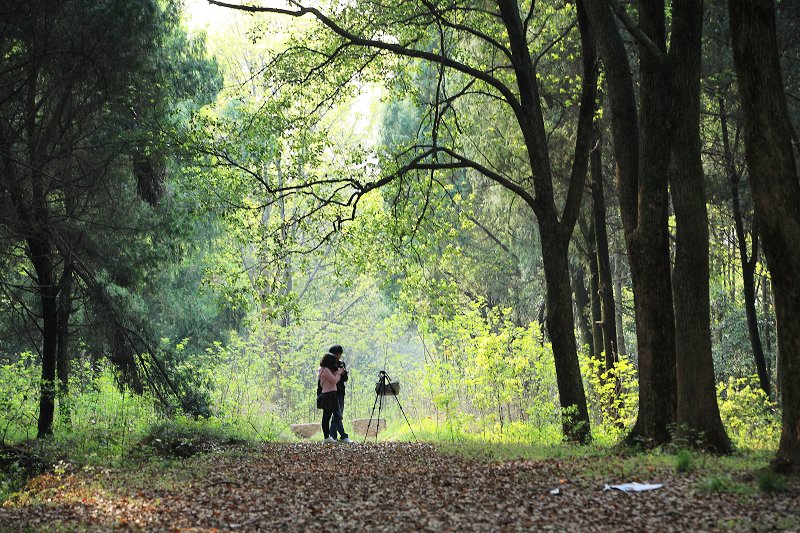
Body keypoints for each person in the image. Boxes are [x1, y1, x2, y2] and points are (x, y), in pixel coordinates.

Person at [318, 352, 346, 443]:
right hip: (329, 394)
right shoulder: (325, 370)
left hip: (330, 394)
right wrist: (339, 373)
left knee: (332, 415)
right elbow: (334, 381)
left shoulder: (324, 369)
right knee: (328, 416)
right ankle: (327, 437)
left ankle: (330, 436)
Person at [328, 344, 353, 443]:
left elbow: (345, 379)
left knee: (338, 414)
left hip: (341, 392)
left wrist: (343, 373)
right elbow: (331, 378)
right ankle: (343, 436)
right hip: (332, 392)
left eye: (337, 354)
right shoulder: (329, 364)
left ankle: (333, 436)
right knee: (337, 415)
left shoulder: (342, 364)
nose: (336, 356)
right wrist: (338, 373)